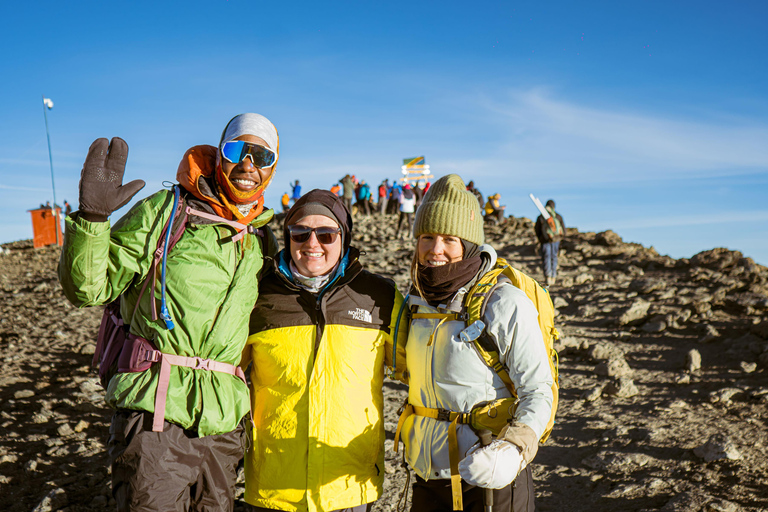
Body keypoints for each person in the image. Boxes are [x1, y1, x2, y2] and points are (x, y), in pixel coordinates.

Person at [58, 113, 280, 512]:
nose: (249, 165)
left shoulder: (261, 237)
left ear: (273, 166)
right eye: (238, 150)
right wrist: (92, 220)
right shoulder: (166, 211)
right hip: (155, 415)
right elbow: (89, 290)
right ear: (219, 154)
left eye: (262, 156)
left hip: (224, 425)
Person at [241, 189, 407, 512]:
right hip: (274, 489)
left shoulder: (378, 296)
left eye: (326, 234)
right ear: (287, 238)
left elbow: (419, 368)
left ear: (343, 238)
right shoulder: (258, 295)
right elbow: (224, 369)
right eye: (300, 233)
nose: (312, 244)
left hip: (349, 487)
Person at [395, 174, 554, 512]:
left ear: (469, 244)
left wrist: (513, 450)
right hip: (427, 475)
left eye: (449, 239)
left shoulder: (503, 302)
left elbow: (540, 390)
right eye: (426, 237)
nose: (435, 250)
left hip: (490, 478)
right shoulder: (415, 302)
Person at [534, 199, 565, 286]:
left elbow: (537, 229)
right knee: (554, 256)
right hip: (556, 239)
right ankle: (553, 276)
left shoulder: (541, 217)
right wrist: (561, 239)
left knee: (546, 257)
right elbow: (563, 229)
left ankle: (547, 276)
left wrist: (540, 239)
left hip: (545, 240)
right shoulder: (558, 216)